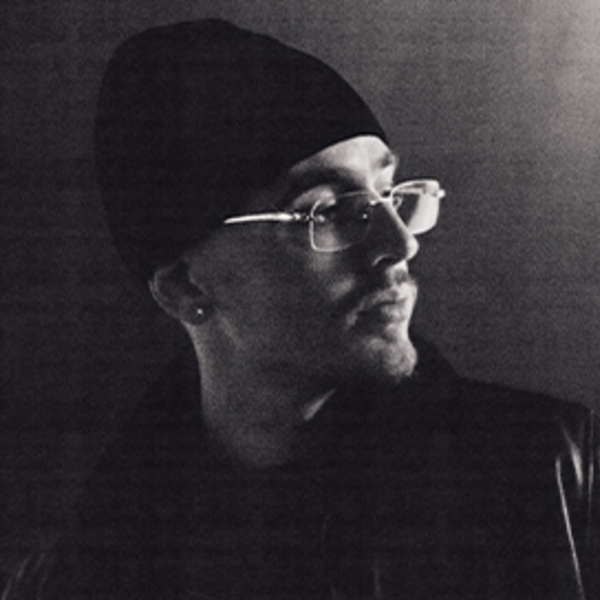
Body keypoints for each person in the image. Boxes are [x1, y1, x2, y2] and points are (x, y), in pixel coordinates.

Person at [5, 18, 599, 600]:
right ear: (186, 288)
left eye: (389, 194)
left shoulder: (554, 473)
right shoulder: (85, 573)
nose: (400, 244)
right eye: (330, 211)